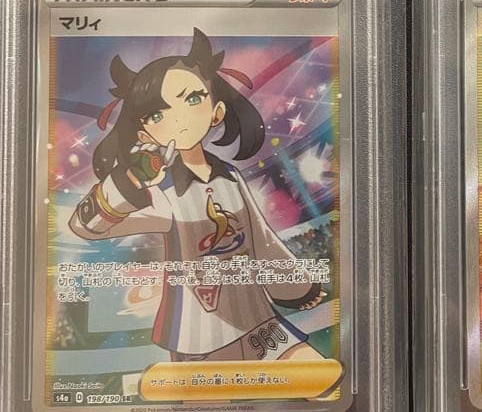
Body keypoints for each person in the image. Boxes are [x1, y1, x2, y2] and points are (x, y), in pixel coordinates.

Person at [70, 28, 326, 362]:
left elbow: (261, 239)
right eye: (158, 114)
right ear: (144, 130)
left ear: (216, 111)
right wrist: (128, 182)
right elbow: (87, 226)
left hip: (259, 322)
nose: (180, 118)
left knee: (318, 377)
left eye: (192, 99)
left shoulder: (230, 176)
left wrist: (294, 286)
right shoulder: (160, 193)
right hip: (199, 338)